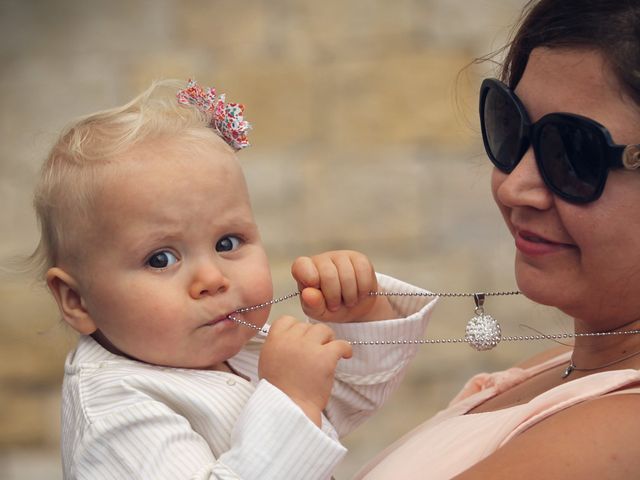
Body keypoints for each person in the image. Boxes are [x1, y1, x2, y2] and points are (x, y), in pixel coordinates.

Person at [30, 78, 436, 479]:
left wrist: (358, 317)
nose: (212, 277)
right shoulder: (117, 413)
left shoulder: (227, 347)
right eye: (160, 258)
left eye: (227, 242)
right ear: (77, 300)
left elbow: (341, 401)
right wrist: (291, 401)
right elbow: (301, 412)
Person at [355, 0, 640, 478]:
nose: (514, 187)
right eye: (512, 128)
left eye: (571, 152)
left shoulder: (617, 430)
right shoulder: (567, 366)